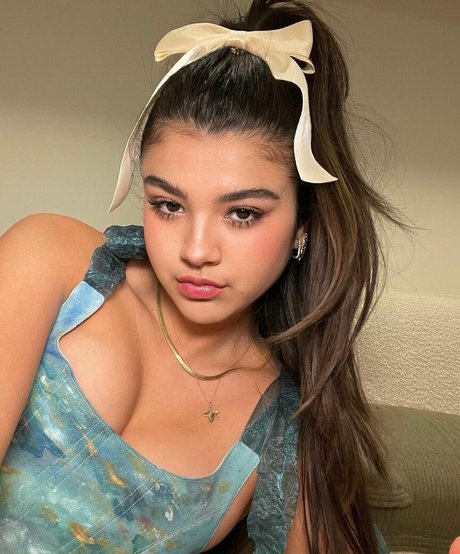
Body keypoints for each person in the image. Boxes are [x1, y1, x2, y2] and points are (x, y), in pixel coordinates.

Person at [0, 1, 403, 552]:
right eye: (168, 205)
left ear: (303, 223)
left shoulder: (286, 426)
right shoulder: (49, 261)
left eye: (242, 213)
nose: (195, 251)